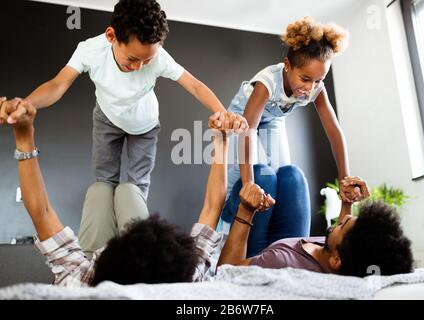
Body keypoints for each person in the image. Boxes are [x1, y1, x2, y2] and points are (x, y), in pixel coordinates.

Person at [0, 0, 247, 200]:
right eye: (132, 59)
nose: (139, 67)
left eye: (146, 61)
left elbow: (194, 84)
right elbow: (57, 84)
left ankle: (133, 242)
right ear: (111, 36)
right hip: (107, 119)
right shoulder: (90, 50)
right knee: (104, 184)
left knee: (138, 187)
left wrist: (222, 113)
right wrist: (27, 104)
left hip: (146, 125)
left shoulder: (159, 57)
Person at [1, 96, 237, 287]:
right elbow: (213, 206)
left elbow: (41, 212)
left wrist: (24, 137)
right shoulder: (183, 277)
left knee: (102, 188)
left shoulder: (81, 281)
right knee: (126, 189)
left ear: (101, 258)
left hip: (100, 259)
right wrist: (221, 140)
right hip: (130, 265)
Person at [219, 17, 352, 245]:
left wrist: (345, 179)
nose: (310, 88)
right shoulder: (267, 82)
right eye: (305, 79)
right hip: (242, 120)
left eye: (319, 80)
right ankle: (224, 222)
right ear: (288, 65)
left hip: (273, 120)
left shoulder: (315, 89)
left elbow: (334, 132)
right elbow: (248, 130)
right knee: (241, 179)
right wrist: (249, 184)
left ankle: (275, 239)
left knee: (284, 176)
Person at [218, 164, 414, 277]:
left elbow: (225, 273)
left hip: (259, 254)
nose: (344, 217)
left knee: (262, 175)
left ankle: (228, 212)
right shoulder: (343, 256)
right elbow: (347, 239)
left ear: (336, 260)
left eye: (344, 223)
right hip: (294, 245)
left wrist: (245, 211)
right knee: (292, 175)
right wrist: (347, 200)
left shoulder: (279, 263)